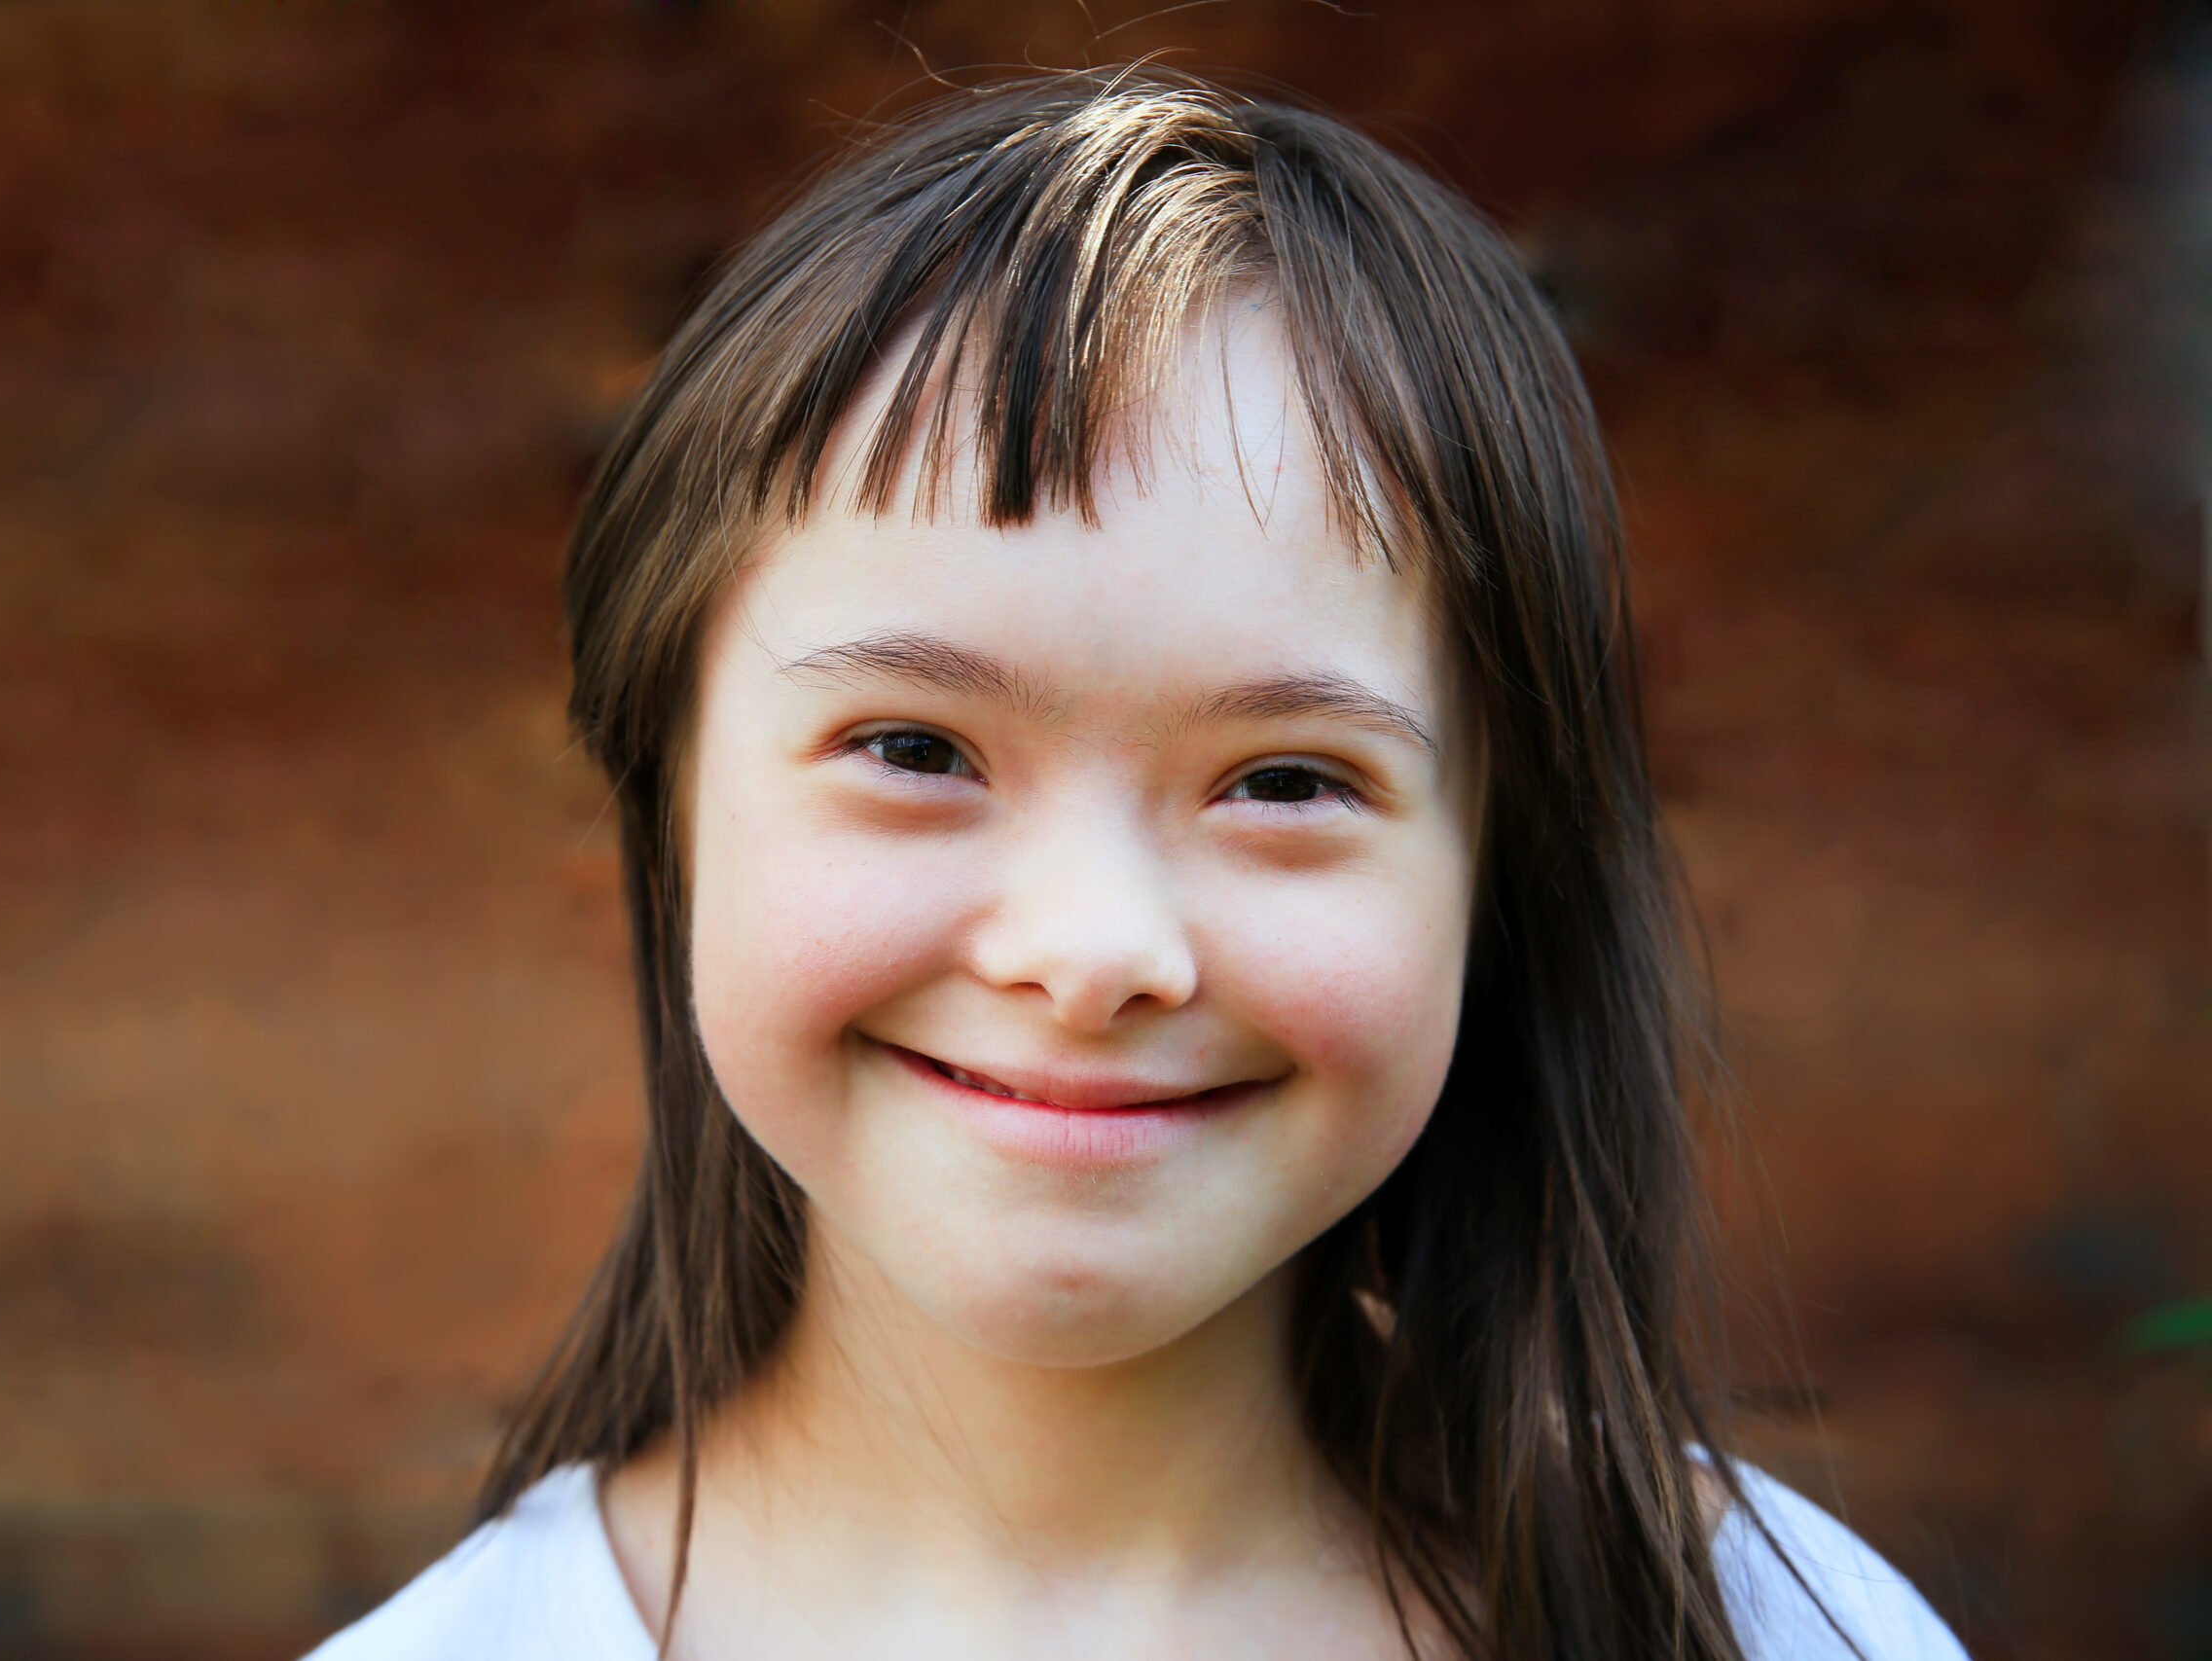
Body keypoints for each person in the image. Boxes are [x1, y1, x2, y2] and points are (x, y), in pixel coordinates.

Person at [310, 68, 1970, 1661]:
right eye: (914, 749)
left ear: (1494, 866)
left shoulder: (1776, 1632)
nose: (1094, 950)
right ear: (667, 790)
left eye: (1286, 779)